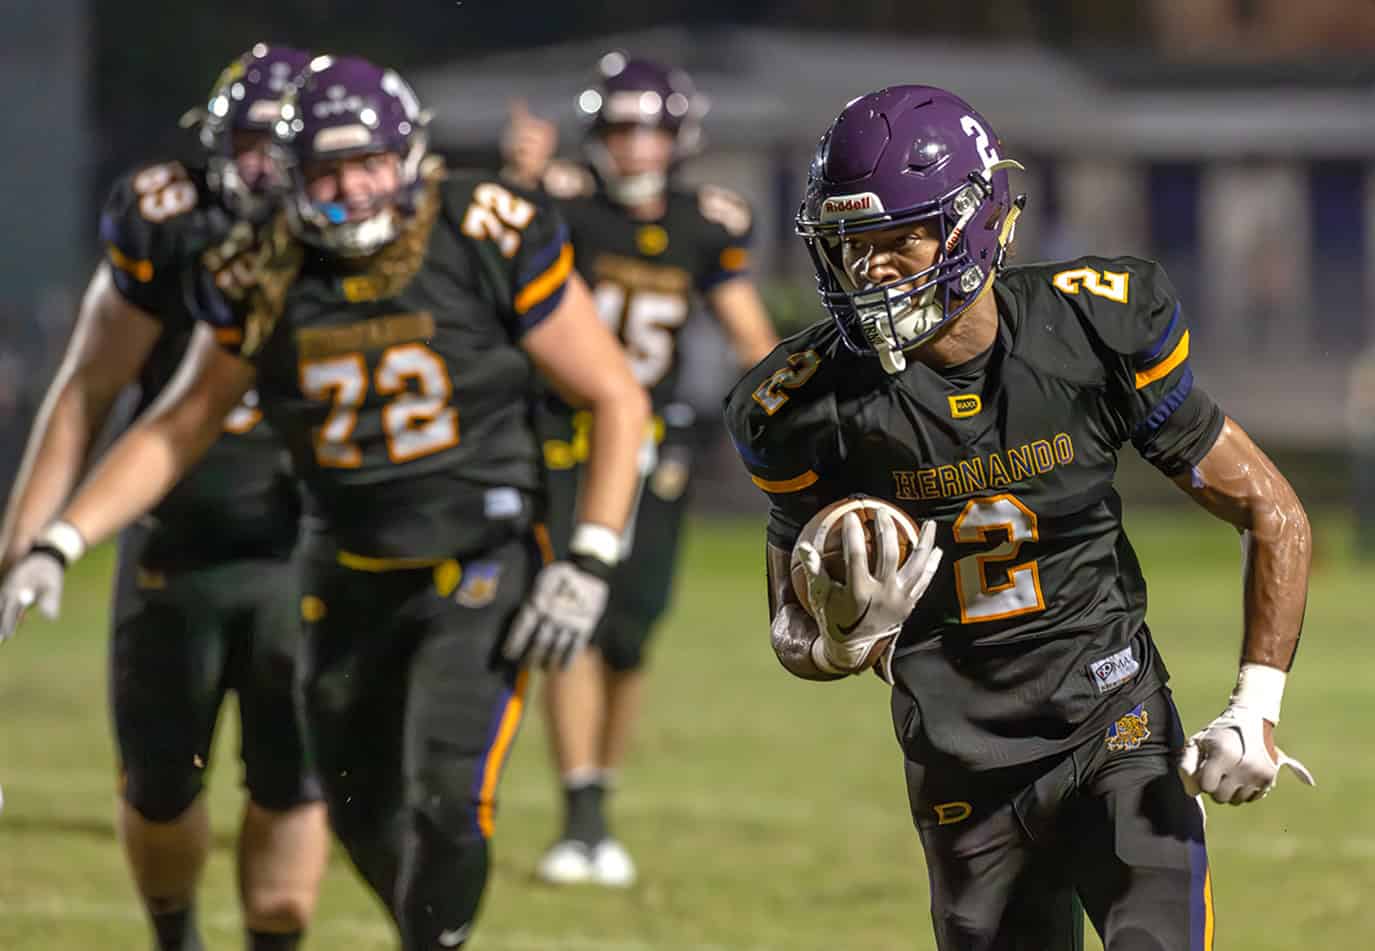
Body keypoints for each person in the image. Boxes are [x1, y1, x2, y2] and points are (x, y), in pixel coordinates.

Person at [0, 55, 649, 950]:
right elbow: (174, 423)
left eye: (368, 164)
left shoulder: (485, 228)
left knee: (444, 792)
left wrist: (590, 555)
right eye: (324, 170)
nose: (349, 189)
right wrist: (57, 539)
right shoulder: (257, 270)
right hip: (342, 565)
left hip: (480, 551)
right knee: (353, 803)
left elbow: (614, 393)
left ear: (409, 156)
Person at [723, 85, 1316, 951]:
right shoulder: (805, 405)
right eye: (854, 246)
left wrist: (1253, 707)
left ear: (974, 221)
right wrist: (837, 645)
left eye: (900, 237)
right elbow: (786, 625)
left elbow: (1271, 510)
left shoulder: (1088, 326)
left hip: (1112, 724)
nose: (874, 269)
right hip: (958, 763)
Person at [0, 44, 330, 951]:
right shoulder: (169, 220)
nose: (262, 162)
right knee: (158, 784)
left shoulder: (360, 239)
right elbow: (87, 388)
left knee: (293, 787)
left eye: (282, 141)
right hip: (176, 537)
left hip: (307, 540)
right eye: (249, 140)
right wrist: (29, 544)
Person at [502, 51, 778, 887]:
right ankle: (581, 812)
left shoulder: (707, 222)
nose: (634, 145)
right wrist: (519, 179)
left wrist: (790, 414)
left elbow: (752, 340)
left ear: (679, 136)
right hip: (568, 433)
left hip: (656, 442)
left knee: (630, 632)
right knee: (570, 611)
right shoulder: (561, 206)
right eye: (620, 127)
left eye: (650, 128)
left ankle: (599, 797)